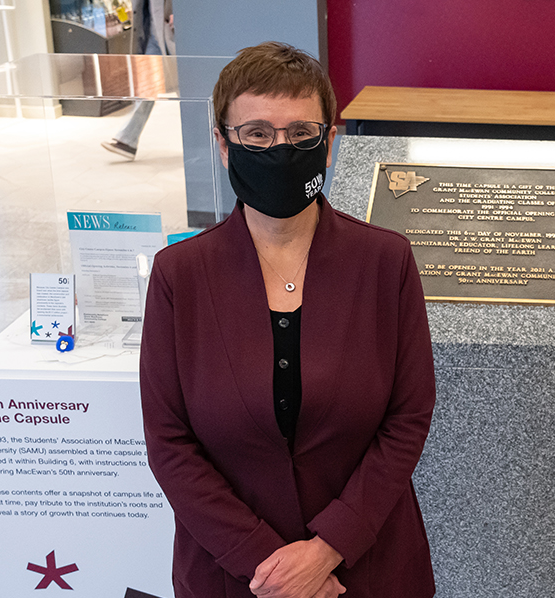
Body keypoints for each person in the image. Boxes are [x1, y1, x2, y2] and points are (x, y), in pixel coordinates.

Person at [140, 42, 437, 598]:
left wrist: (326, 552)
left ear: (326, 146)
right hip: (234, 575)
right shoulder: (179, 275)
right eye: (256, 134)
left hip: (363, 569)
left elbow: (408, 418)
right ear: (225, 147)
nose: (281, 150)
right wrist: (271, 567)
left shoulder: (385, 261)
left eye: (301, 135)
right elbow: (169, 441)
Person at [102, 0, 175, 159]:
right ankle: (128, 140)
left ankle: (210, 140)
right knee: (147, 87)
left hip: (170, 33)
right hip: (152, 36)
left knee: (190, 87)